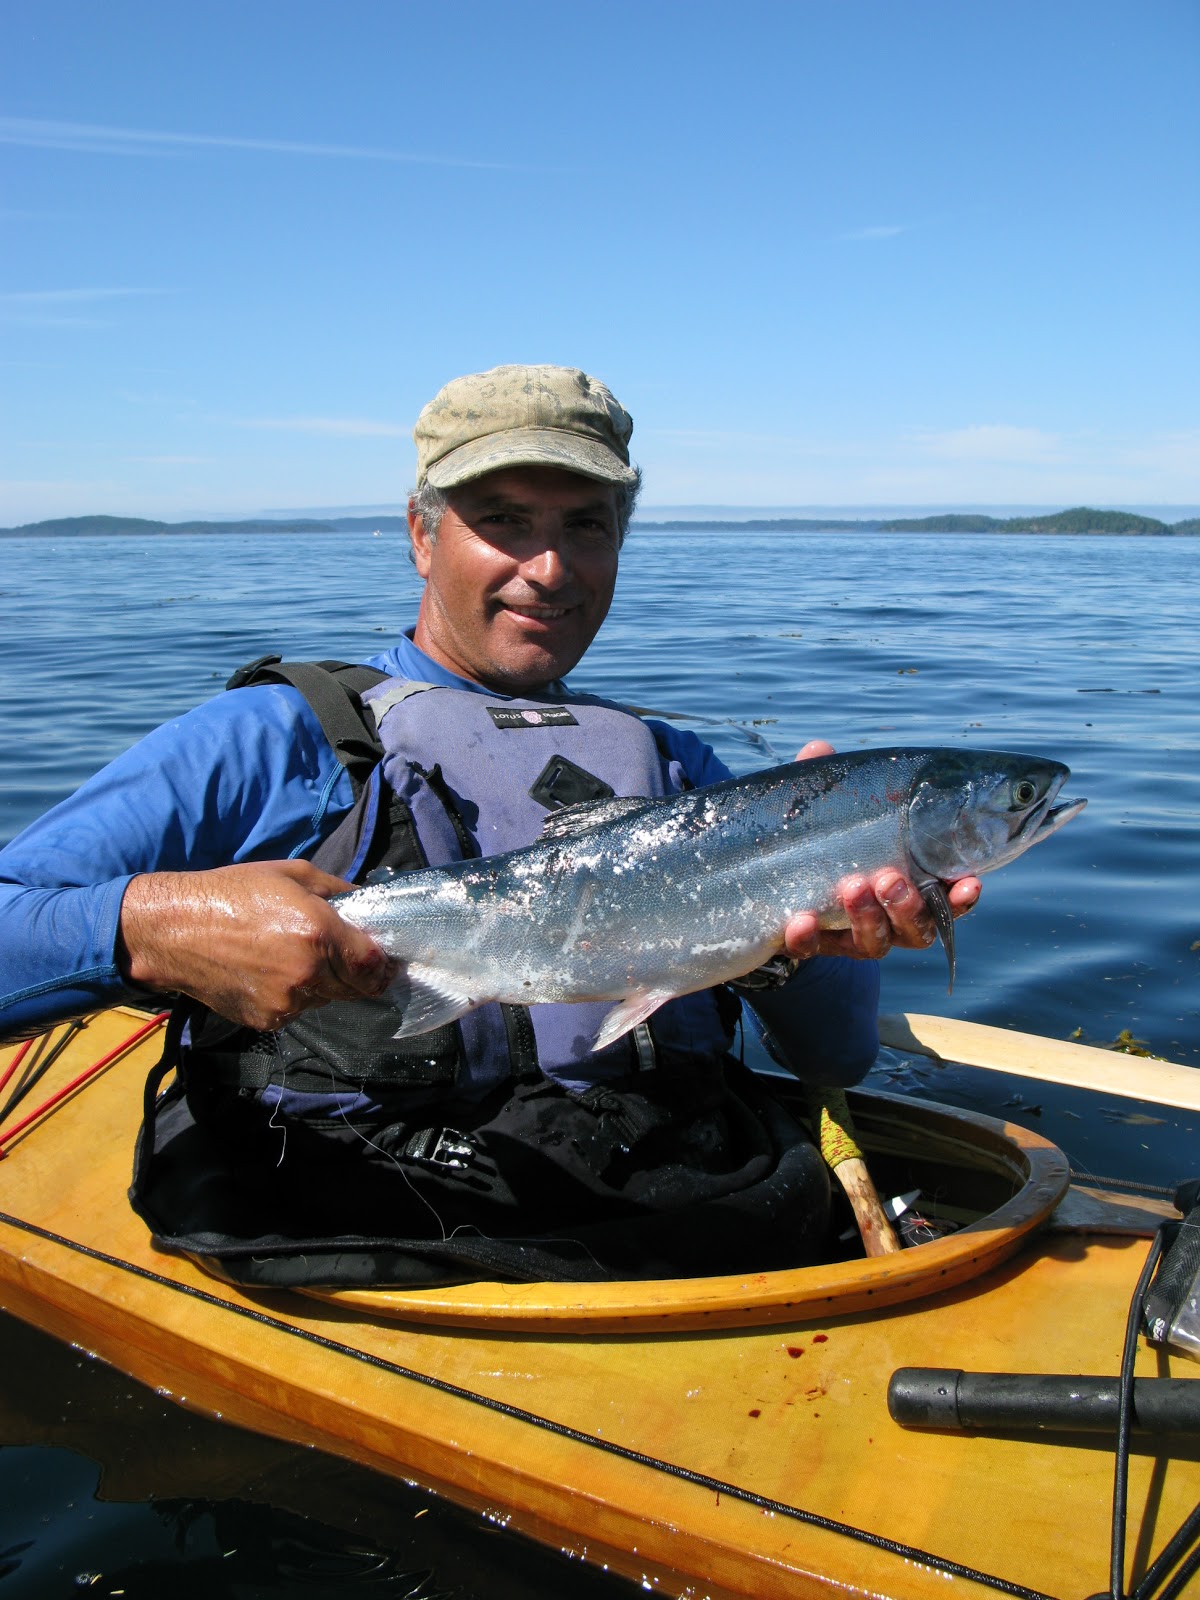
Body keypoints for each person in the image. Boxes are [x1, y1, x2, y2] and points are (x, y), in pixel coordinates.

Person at [0, 364, 979, 1288]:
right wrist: (146, 927)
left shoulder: (676, 766)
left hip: (678, 1255)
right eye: (504, 521)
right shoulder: (272, 741)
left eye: (586, 525)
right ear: (422, 536)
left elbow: (833, 1061)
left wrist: (832, 923)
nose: (549, 568)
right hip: (373, 1261)